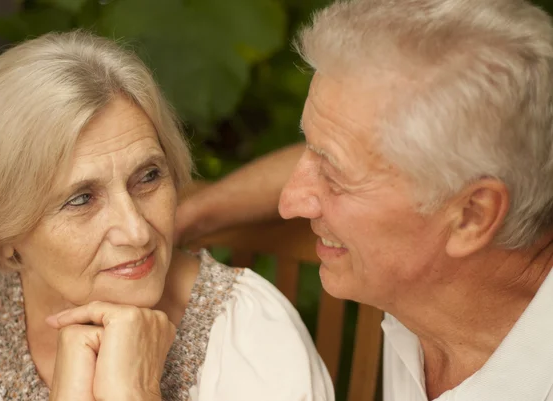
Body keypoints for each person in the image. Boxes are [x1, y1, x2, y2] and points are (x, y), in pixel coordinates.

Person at [176, 0, 553, 400]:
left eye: (334, 176)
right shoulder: (429, 266)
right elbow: (356, 152)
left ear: (471, 216)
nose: (290, 202)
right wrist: (183, 217)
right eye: (310, 147)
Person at [0, 31, 334, 401]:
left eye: (149, 177)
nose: (137, 232)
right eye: (82, 199)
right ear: (3, 240)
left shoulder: (252, 337)